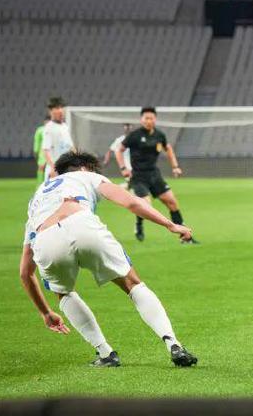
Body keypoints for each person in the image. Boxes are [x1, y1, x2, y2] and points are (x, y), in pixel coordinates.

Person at [19, 151, 198, 367]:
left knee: (63, 293)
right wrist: (170, 224)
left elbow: (25, 273)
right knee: (132, 283)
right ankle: (173, 344)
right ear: (84, 167)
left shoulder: (36, 201)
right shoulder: (87, 175)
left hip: (45, 237)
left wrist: (46, 312)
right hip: (81, 223)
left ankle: (105, 354)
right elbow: (131, 202)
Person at [116, 107, 197, 243]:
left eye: (151, 118)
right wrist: (123, 168)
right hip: (138, 176)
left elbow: (168, 148)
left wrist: (175, 167)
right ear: (141, 119)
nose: (149, 121)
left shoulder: (159, 135)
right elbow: (119, 150)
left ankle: (184, 236)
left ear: (155, 119)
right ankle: (139, 224)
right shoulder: (134, 135)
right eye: (146, 118)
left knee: (172, 202)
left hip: (154, 174)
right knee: (146, 205)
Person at [42, 97, 74, 180]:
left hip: (66, 170)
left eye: (61, 107)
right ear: (50, 111)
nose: (60, 110)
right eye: (57, 108)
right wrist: (53, 168)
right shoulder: (49, 127)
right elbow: (45, 151)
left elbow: (71, 147)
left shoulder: (65, 126)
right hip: (55, 171)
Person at [33, 116, 49, 184]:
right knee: (41, 167)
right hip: (42, 152)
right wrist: (36, 150)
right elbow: (37, 140)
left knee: (52, 168)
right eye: (47, 121)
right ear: (44, 122)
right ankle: (39, 184)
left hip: (52, 151)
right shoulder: (40, 130)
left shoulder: (54, 130)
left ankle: (49, 183)